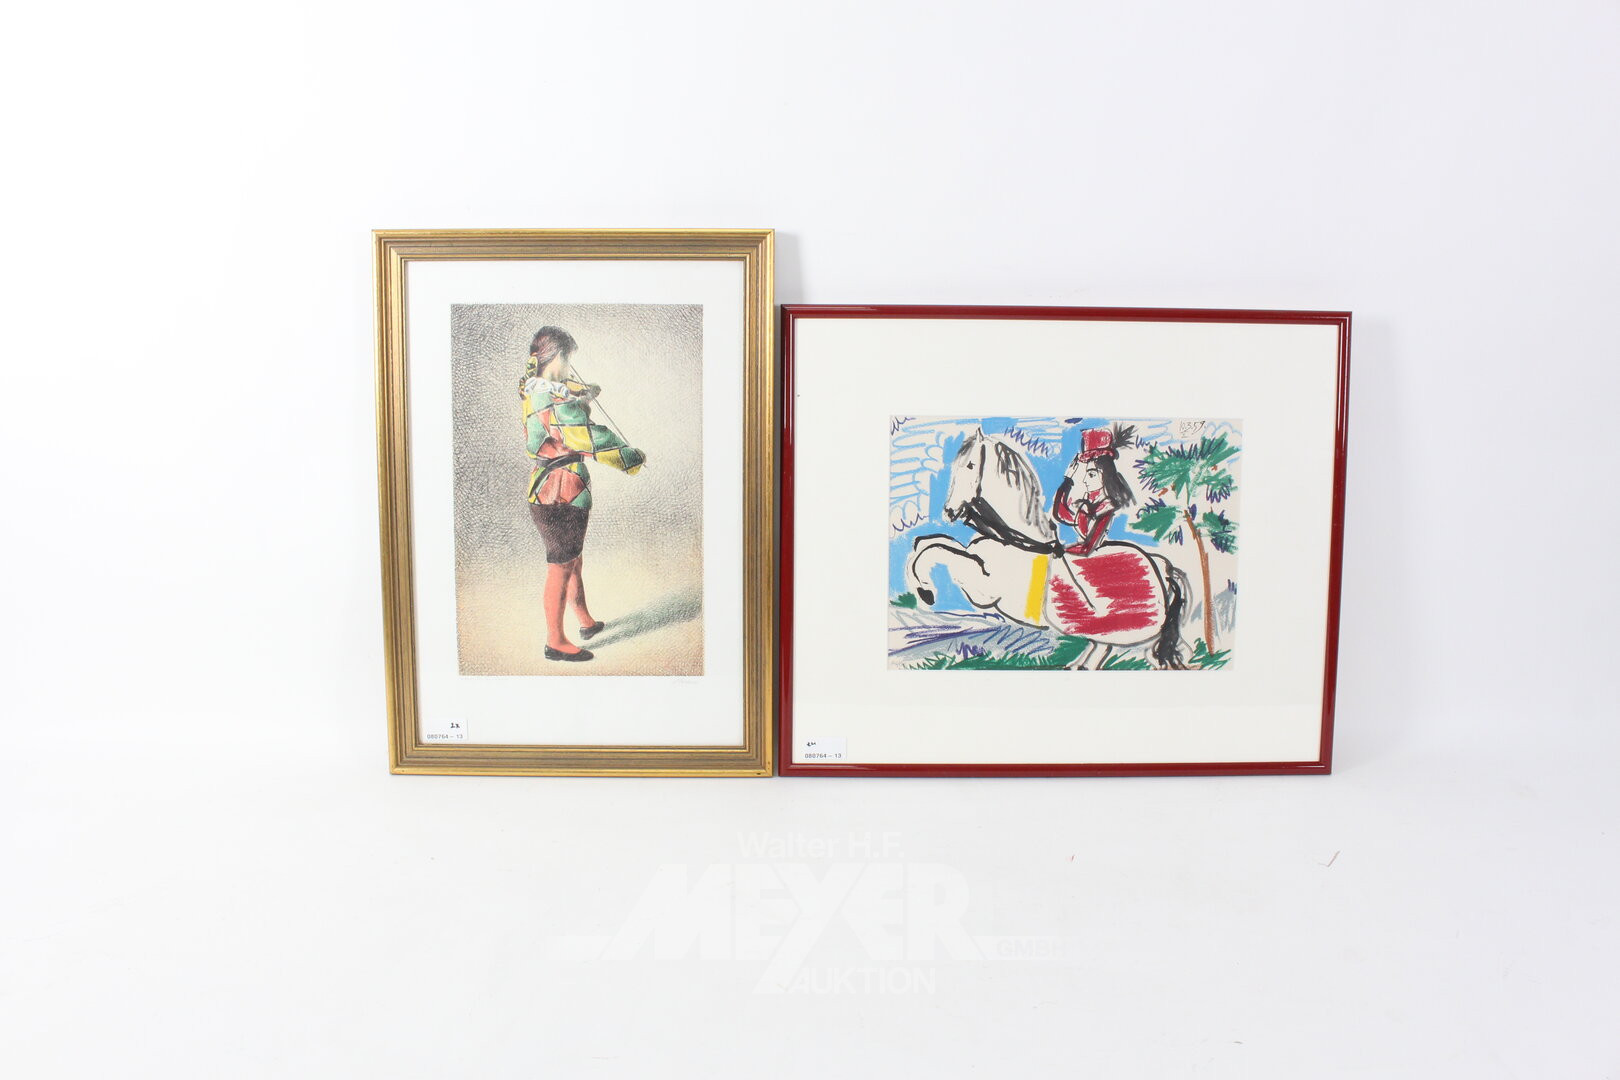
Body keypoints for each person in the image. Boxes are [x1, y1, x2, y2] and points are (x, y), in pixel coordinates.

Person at [521, 326, 646, 662]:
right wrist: (630, 457)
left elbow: (564, 398)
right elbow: (584, 436)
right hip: (559, 491)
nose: (568, 366)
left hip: (555, 489)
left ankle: (585, 622)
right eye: (567, 358)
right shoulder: (550, 398)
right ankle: (555, 642)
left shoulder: (537, 388)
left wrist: (582, 396)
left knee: (572, 559)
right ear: (557, 357)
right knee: (561, 565)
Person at [1051, 424, 1136, 556]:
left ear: (1105, 475)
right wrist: (1067, 480)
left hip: (1102, 558)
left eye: (1091, 474)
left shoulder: (1106, 508)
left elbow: (1087, 549)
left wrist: (1063, 549)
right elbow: (1062, 515)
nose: (1085, 480)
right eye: (1087, 473)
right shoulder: (1086, 505)